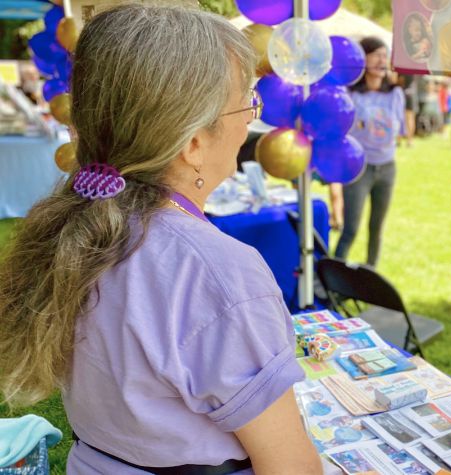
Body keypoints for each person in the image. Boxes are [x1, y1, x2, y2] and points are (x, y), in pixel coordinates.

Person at [0, 5, 322, 474]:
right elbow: (292, 467)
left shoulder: (78, 222)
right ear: (192, 142)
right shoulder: (217, 270)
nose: (252, 118)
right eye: (248, 101)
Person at [334, 37, 406, 268]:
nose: (381, 60)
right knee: (350, 229)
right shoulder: (351, 94)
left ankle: (371, 276)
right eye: (375, 54)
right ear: (362, 59)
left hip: (387, 168)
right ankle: (331, 280)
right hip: (358, 168)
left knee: (377, 229)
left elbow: (401, 129)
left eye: (384, 55)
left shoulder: (396, 94)